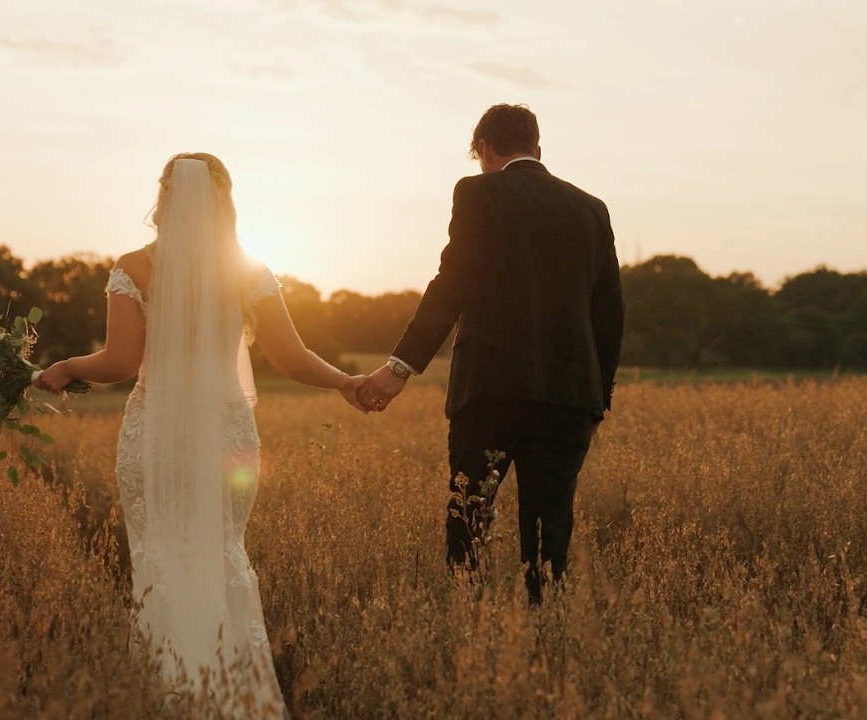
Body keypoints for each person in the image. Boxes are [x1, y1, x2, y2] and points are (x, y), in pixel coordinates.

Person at [35, 153, 366, 714]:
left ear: (164, 197)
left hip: (156, 435)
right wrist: (347, 381)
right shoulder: (248, 271)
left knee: (160, 560)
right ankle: (234, 698)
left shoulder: (135, 266)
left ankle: (171, 698)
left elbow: (119, 362)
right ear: (224, 199)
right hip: (227, 434)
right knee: (221, 555)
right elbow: (292, 358)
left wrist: (64, 367)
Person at [357, 104, 624, 604]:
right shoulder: (592, 208)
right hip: (569, 400)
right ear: (538, 150)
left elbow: (451, 284)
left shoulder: (476, 192)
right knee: (549, 538)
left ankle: (472, 632)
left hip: (489, 394)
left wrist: (399, 368)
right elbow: (609, 312)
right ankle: (546, 643)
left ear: (483, 149)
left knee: (469, 522)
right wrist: (597, 398)